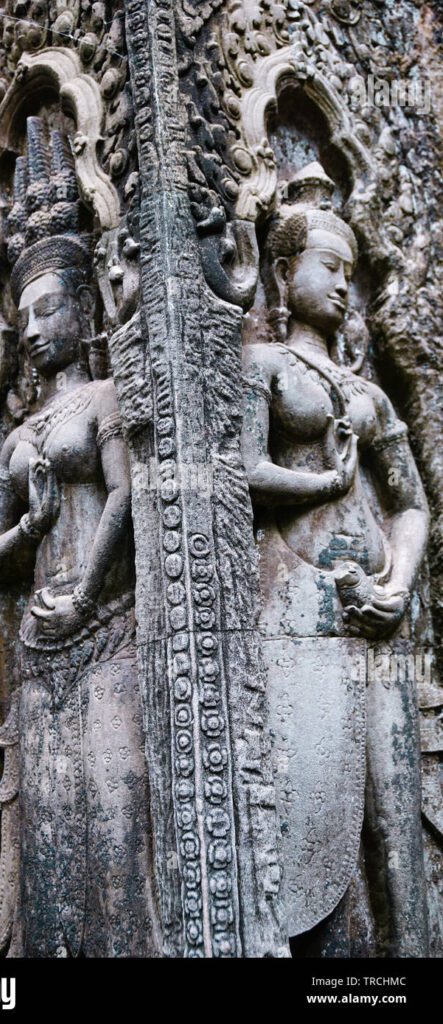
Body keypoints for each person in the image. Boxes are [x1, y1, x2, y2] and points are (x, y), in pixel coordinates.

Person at [0, 118, 160, 957]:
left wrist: (87, 592)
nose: (32, 328)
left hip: (108, 626)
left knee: (120, 814)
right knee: (50, 834)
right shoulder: (17, 440)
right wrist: (30, 526)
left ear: (83, 306)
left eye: (48, 307)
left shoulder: (107, 399)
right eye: (22, 315)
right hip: (39, 648)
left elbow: (126, 493)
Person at [241, 163, 429, 956]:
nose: (345, 285)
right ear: (284, 272)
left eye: (351, 272)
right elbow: (239, 473)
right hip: (295, 616)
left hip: (375, 619)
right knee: (306, 811)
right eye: (330, 267)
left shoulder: (368, 394)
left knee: (395, 817)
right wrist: (324, 481)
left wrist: (398, 582)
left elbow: (410, 503)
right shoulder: (261, 368)